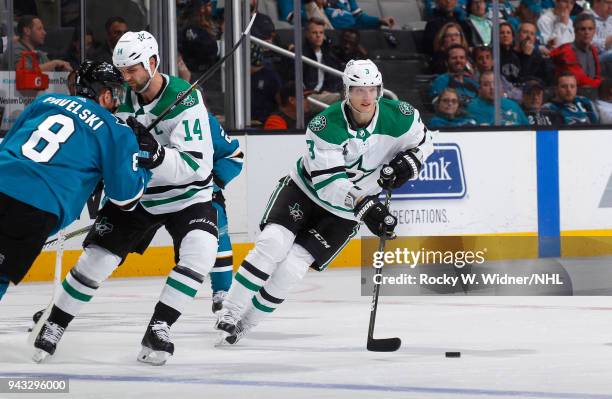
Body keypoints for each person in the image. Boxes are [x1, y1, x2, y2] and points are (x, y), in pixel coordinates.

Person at [214, 59, 434, 345]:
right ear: (346, 91)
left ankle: (246, 323)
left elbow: (426, 142)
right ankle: (229, 313)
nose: (366, 97)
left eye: (372, 89)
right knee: (272, 243)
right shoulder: (325, 124)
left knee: (293, 267)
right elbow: (329, 184)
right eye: (358, 90)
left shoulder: (401, 117)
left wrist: (411, 162)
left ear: (379, 90)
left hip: (346, 212)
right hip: (305, 192)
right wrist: (366, 204)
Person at [31, 31, 218, 366]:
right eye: (122, 71)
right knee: (97, 259)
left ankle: (159, 328)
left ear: (153, 62)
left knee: (201, 251)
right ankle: (54, 323)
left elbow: (195, 165)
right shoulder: (118, 97)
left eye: (132, 69)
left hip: (187, 195)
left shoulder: (187, 100)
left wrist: (158, 154)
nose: (126, 78)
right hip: (139, 193)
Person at [0, 61, 150, 302]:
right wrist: (144, 162)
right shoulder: (116, 129)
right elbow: (125, 198)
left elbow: (7, 145)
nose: (117, 102)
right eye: (116, 94)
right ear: (104, 94)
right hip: (36, 206)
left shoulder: (43, 102)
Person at [208, 112, 244, 313]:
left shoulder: (203, 119)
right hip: (149, 189)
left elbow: (234, 156)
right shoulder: (133, 115)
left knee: (218, 230)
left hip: (198, 193)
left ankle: (222, 291)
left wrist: (210, 185)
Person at [550, 13, 601, 89]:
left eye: (590, 29)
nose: (587, 32)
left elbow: (597, 76)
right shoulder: (565, 51)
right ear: (575, 31)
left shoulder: (594, 50)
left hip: (593, 94)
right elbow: (579, 79)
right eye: (583, 29)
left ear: (594, 31)